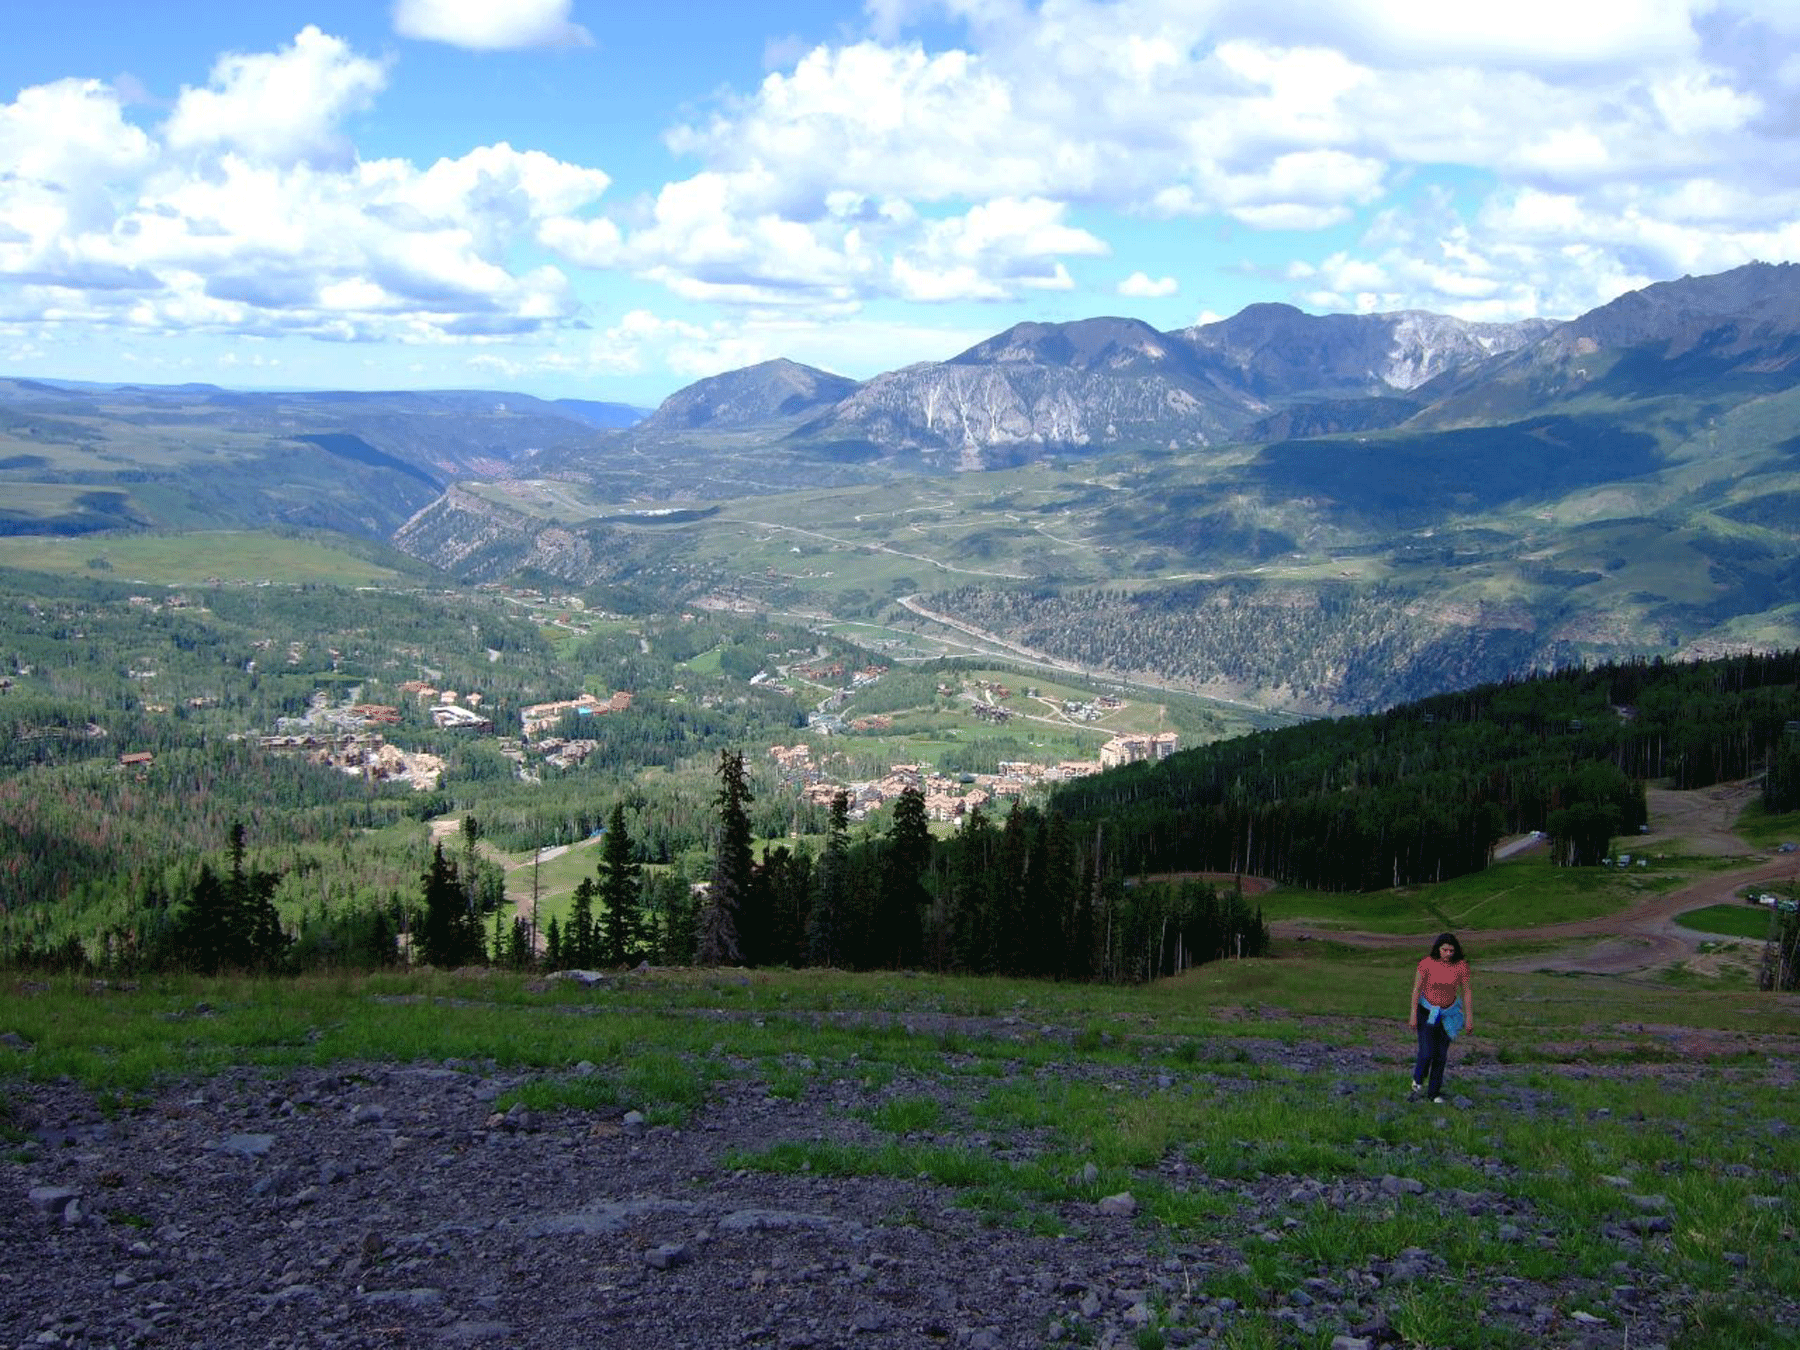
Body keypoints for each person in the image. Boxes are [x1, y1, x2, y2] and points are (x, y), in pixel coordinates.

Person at [1408, 931, 1473, 1103]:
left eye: (1451, 951)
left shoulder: (1461, 966)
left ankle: (1434, 1093)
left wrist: (1469, 1018)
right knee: (1427, 1051)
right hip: (1427, 1012)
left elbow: (1466, 992)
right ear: (1438, 949)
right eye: (1445, 950)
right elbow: (1416, 989)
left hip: (1448, 1015)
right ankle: (1417, 1081)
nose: (1448, 954)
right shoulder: (1426, 964)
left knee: (1441, 1055)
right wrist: (1413, 1015)